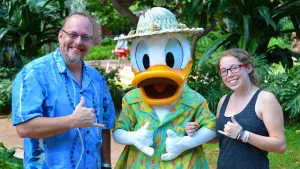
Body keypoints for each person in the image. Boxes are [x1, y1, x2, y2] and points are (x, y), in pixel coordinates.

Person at [112, 7, 216, 169]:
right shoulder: (132, 99)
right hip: (142, 163)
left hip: (184, 164)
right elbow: (119, 131)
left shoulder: (194, 99)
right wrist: (134, 137)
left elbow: (211, 126)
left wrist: (186, 142)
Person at [11, 12, 116, 169]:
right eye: (73, 35)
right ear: (61, 36)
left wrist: (106, 164)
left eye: (85, 37)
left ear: (92, 43)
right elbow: (24, 128)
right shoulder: (34, 74)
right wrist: (72, 121)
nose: (78, 42)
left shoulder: (97, 80)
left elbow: (106, 125)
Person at [186, 48, 286, 169]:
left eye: (234, 68)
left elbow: (280, 146)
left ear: (248, 67)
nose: (229, 74)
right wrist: (197, 132)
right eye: (224, 71)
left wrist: (243, 135)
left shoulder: (265, 100)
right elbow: (222, 136)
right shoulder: (223, 101)